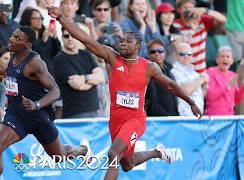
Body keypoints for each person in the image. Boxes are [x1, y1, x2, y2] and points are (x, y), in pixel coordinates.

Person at [47, 6, 202, 180]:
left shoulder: (149, 67)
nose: (122, 43)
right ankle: (157, 152)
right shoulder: (111, 58)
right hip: (115, 120)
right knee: (127, 164)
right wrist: (61, 18)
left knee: (113, 154)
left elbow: (171, 85)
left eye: (127, 41)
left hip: (135, 119)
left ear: (138, 45)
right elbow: (85, 39)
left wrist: (191, 102)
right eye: (121, 41)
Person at [0, 26, 90, 175]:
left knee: (59, 157)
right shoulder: (12, 55)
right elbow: (16, 79)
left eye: (17, 38)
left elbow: (55, 91)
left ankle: (83, 149)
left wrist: (36, 105)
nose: (11, 39)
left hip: (37, 116)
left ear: (27, 45)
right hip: (15, 115)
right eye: (12, 36)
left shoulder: (35, 62)